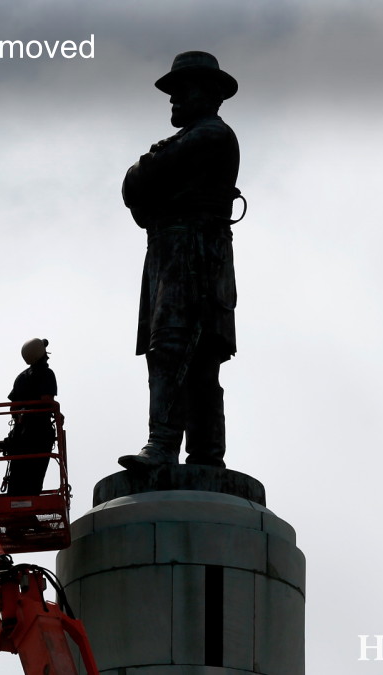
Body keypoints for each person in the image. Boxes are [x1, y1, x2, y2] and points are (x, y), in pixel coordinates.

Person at [118, 51, 241, 471]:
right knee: (179, 352)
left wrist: (149, 176)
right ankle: (199, 453)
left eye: (181, 91)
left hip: (195, 257)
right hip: (173, 254)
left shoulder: (211, 137)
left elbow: (143, 177)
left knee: (180, 351)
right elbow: (132, 188)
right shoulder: (193, 138)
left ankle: (168, 445)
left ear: (209, 95)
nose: (173, 100)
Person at [0, 338, 58, 495]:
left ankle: (17, 505)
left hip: (20, 437)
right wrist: (59, 412)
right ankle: (28, 503)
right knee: (34, 476)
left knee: (18, 476)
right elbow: (47, 400)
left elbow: (13, 408)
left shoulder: (21, 378)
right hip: (39, 433)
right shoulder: (47, 374)